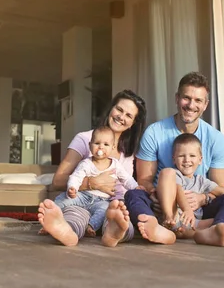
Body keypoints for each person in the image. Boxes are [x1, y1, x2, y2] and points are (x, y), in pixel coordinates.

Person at [116, 72, 224, 247]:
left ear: (205, 104)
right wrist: (159, 196)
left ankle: (211, 229)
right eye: (186, 98)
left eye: (198, 100)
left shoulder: (216, 139)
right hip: (160, 206)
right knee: (133, 195)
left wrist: (202, 198)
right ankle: (161, 226)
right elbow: (144, 179)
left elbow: (219, 188)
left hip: (198, 208)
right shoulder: (154, 132)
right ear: (177, 98)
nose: (191, 105)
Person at [37, 89, 147, 247]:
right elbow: (58, 181)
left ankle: (113, 233)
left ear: (133, 123)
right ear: (111, 108)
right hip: (83, 200)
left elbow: (129, 181)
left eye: (129, 115)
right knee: (75, 216)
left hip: (113, 206)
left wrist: (139, 189)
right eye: (119, 109)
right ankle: (67, 232)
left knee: (122, 220)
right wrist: (92, 183)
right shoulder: (85, 139)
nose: (121, 117)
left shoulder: (129, 151)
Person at [156, 133, 224, 245]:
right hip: (173, 219)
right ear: (174, 159)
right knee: (166, 172)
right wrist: (187, 209)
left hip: (194, 224)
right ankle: (172, 222)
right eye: (181, 156)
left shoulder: (201, 181)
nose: (187, 160)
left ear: (200, 160)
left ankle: (205, 234)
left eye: (192, 156)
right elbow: (178, 189)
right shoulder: (174, 174)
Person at [53, 126, 141, 238]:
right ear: (90, 145)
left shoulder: (115, 165)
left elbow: (126, 179)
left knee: (104, 210)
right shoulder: (86, 163)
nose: (101, 147)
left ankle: (91, 227)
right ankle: (51, 215)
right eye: (97, 143)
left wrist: (136, 187)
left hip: (103, 200)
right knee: (63, 199)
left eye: (106, 144)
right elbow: (76, 177)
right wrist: (72, 187)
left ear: (112, 148)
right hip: (83, 195)